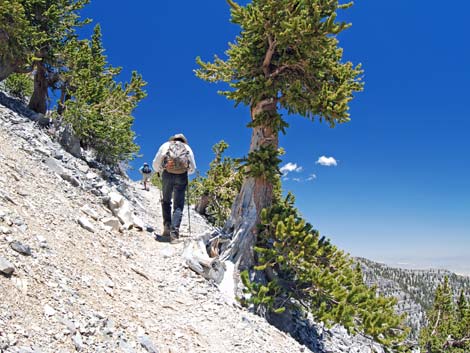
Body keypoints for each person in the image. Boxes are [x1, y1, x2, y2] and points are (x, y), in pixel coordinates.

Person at [152, 133, 196, 243]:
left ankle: (167, 227)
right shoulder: (187, 148)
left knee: (166, 201)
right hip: (182, 175)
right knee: (178, 205)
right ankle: (174, 233)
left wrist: (158, 170)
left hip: (167, 174)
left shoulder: (166, 145)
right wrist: (187, 172)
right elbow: (193, 167)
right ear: (183, 140)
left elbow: (156, 162)